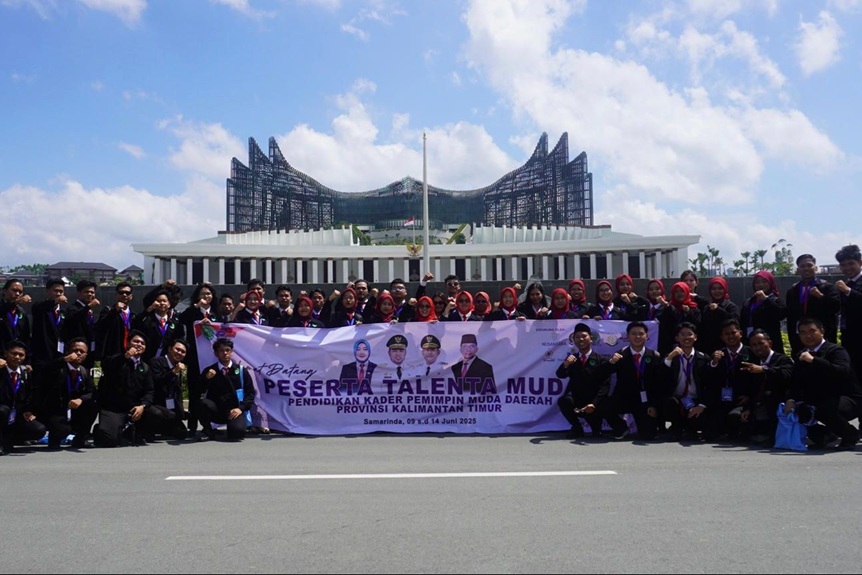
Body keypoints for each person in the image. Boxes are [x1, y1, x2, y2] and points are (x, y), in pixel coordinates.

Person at [785, 317, 861, 450]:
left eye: (812, 331)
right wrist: (791, 400)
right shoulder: (801, 355)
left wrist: (814, 360)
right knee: (797, 410)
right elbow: (796, 382)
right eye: (803, 332)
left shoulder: (836, 350)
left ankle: (850, 435)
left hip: (847, 398)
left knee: (824, 409)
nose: (808, 336)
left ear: (822, 331)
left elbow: (842, 372)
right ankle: (825, 435)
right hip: (820, 398)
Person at [94, 330, 161, 447]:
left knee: (156, 414)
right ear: (128, 343)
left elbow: (149, 391)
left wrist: (142, 406)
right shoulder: (117, 359)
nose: (139, 344)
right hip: (114, 408)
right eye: (136, 341)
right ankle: (103, 429)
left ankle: (135, 433)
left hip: (134, 408)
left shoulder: (145, 367)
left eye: (142, 343)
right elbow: (107, 365)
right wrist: (125, 357)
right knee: (109, 440)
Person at [32, 337, 98, 449]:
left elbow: (92, 392)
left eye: (82, 351)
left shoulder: (84, 371)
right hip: (56, 410)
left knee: (92, 405)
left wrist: (80, 399)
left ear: (86, 355)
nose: (78, 353)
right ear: (68, 352)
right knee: (62, 430)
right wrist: (64, 360)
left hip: (73, 409)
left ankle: (80, 439)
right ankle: (54, 439)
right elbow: (45, 370)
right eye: (75, 350)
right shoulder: (58, 368)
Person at [604, 322, 666, 440]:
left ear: (647, 336)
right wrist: (611, 363)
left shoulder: (654, 356)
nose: (637, 337)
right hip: (624, 397)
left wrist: (653, 405)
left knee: (648, 435)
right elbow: (604, 373)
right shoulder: (620, 354)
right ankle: (621, 428)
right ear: (628, 336)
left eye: (641, 334)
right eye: (633, 334)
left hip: (644, 400)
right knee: (604, 406)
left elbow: (658, 384)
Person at [555, 323, 614, 438]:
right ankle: (577, 428)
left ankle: (597, 428)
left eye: (584, 336)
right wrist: (565, 364)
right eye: (577, 337)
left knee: (596, 433)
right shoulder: (572, 359)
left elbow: (605, 385)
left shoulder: (601, 360)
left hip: (593, 401)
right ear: (574, 340)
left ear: (591, 338)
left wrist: (594, 403)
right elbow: (560, 375)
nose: (581, 339)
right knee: (564, 401)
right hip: (577, 400)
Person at [704, 319, 757, 442]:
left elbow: (757, 380)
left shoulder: (751, 353)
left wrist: (749, 397)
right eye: (726, 334)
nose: (730, 336)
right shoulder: (719, 354)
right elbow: (709, 379)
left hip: (742, 400)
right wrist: (714, 363)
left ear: (741, 333)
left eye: (733, 333)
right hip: (723, 399)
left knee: (735, 417)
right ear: (722, 337)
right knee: (709, 434)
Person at [740, 329, 794, 444]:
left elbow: (786, 374)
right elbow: (751, 388)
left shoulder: (782, 359)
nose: (758, 347)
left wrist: (764, 369)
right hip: (757, 403)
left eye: (761, 343)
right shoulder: (752, 361)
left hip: (779, 402)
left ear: (769, 343)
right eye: (754, 345)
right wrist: (747, 408)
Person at [199, 338, 257, 442]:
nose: (225, 353)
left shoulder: (241, 370)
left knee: (237, 433)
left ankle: (232, 427)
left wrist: (241, 408)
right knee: (203, 404)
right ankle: (208, 431)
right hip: (216, 410)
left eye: (227, 350)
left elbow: (250, 393)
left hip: (233, 411)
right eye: (221, 350)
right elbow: (198, 390)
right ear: (216, 353)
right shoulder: (210, 370)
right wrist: (206, 379)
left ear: (232, 352)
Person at [177, 282, 216, 436]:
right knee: (194, 391)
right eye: (203, 294)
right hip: (195, 358)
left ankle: (209, 425)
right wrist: (196, 308)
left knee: (211, 391)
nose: (206, 296)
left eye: (209, 293)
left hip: (212, 358)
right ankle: (192, 425)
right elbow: (181, 320)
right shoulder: (192, 312)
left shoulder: (216, 313)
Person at [661, 322, 711, 441]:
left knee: (697, 427)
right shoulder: (671, 357)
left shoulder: (703, 358)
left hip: (695, 400)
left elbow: (710, 384)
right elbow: (661, 376)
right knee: (670, 403)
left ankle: (689, 427)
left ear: (695, 337)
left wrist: (701, 405)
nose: (686, 337)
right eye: (682, 334)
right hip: (677, 399)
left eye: (689, 334)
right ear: (676, 338)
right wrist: (669, 358)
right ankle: (676, 428)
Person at [785, 254, 840, 357]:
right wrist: (792, 338)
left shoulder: (827, 287)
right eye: (802, 266)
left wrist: (820, 296)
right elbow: (791, 317)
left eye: (809, 265)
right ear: (798, 270)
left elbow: (836, 307)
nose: (806, 268)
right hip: (800, 338)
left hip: (823, 337)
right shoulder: (792, 290)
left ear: (815, 267)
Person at [0, 340, 46, 454]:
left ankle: (12, 439)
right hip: (3, 412)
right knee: (2, 411)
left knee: (39, 429)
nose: (17, 357)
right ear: (6, 354)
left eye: (21, 355)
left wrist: (28, 410)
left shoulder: (26, 373)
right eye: (14, 353)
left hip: (17, 414)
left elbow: (30, 393)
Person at [147, 338, 190, 441]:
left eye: (183, 352)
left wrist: (183, 409)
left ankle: (163, 429)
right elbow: (157, 382)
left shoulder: (180, 367)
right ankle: (144, 430)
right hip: (155, 402)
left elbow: (180, 390)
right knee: (169, 415)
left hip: (170, 404)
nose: (179, 353)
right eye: (177, 349)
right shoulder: (156, 362)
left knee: (182, 433)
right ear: (170, 349)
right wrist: (173, 372)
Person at [740, 271, 787, 354]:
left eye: (764, 281)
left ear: (770, 283)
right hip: (750, 342)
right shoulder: (749, 302)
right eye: (757, 282)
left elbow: (781, 314)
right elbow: (742, 322)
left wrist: (766, 299)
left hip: (770, 342)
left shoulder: (776, 300)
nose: (761, 285)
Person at [132, 289, 186, 361]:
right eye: (159, 301)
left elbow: (180, 337)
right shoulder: (147, 320)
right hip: (147, 358)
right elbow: (136, 324)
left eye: (164, 301)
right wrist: (148, 310)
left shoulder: (175, 322)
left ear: (169, 304)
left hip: (166, 359)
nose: (162, 303)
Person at [834, 244, 862, 377]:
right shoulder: (846, 283)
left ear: (860, 262)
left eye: (851, 263)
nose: (847, 268)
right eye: (843, 265)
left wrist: (848, 291)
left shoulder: (846, 287)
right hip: (849, 335)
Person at [29, 278, 69, 369]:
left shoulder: (63, 312)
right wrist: (55, 301)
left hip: (59, 353)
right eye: (55, 291)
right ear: (47, 291)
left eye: (61, 291)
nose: (58, 294)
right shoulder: (40, 307)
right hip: (42, 354)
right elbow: (40, 307)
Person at [95, 282, 136, 362]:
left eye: (127, 293)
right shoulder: (108, 311)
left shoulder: (133, 315)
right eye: (121, 292)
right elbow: (100, 327)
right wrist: (115, 310)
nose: (124, 295)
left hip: (129, 353)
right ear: (116, 295)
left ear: (131, 296)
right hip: (112, 355)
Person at [697, 277, 739, 356]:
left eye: (720, 288)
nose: (717, 291)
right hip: (708, 348)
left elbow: (734, 322)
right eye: (714, 289)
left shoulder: (731, 306)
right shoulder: (707, 307)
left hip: (726, 347)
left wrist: (718, 310)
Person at [656, 282, 701, 355]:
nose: (679, 294)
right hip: (670, 348)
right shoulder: (667, 308)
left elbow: (698, 325)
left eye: (682, 291)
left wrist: (689, 312)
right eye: (676, 292)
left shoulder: (694, 309)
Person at [0, 279, 32, 357]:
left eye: (20, 292)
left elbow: (26, 337)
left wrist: (27, 358)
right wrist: (16, 302)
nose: (17, 294)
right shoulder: (2, 308)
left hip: (16, 356)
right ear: (4, 291)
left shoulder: (22, 312)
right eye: (14, 290)